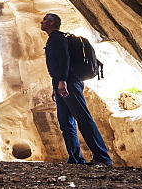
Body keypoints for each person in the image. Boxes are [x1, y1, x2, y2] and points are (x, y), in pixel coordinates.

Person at [41, 12, 113, 166]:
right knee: (65, 122)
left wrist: (62, 81)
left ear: (52, 22)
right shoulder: (54, 39)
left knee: (83, 118)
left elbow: (63, 60)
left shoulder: (57, 38)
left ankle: (102, 157)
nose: (42, 22)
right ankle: (75, 158)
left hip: (70, 82)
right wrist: (56, 85)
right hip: (63, 82)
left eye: (45, 20)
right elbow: (57, 64)